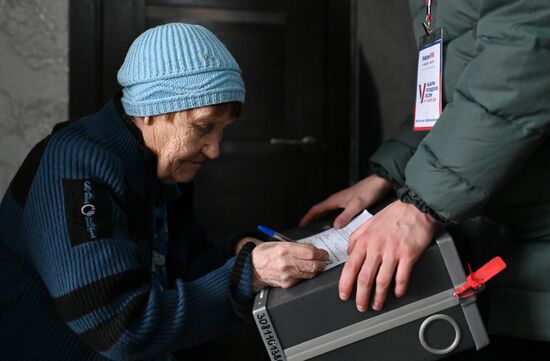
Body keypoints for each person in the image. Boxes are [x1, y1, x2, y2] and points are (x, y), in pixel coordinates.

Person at [0, 23, 329, 361]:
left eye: (222, 131)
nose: (214, 150)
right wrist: (250, 274)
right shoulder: (73, 166)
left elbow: (183, 268)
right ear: (151, 112)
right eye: (203, 126)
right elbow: (122, 328)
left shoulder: (165, 165)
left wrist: (239, 253)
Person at [300, 0, 550, 358]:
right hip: (504, 240)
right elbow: (448, 95)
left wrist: (421, 204)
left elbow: (519, 69)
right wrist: (386, 173)